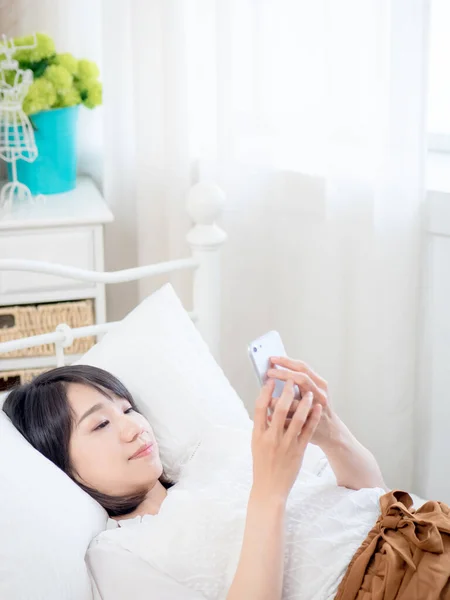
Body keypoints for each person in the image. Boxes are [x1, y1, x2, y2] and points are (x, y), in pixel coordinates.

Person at [4, 362, 449, 600]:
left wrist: (333, 435)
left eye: (127, 408)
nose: (132, 426)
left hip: (429, 536)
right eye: (99, 425)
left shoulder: (216, 450)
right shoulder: (117, 553)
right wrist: (270, 492)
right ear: (61, 467)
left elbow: (370, 502)